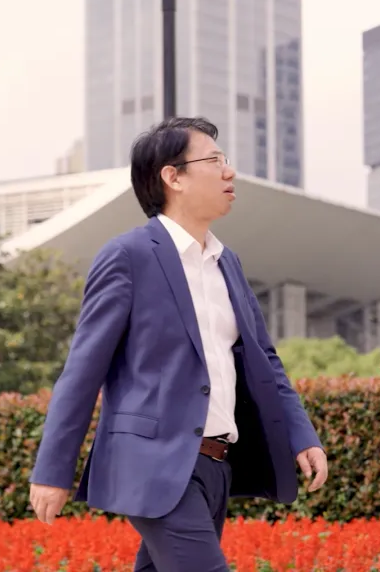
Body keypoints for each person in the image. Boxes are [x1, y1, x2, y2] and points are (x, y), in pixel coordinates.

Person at [28, 117, 328, 571]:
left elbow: (264, 360)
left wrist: (301, 435)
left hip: (216, 464)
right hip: (153, 464)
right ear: (173, 177)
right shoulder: (128, 256)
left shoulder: (227, 263)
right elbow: (83, 371)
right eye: (215, 160)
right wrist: (53, 470)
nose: (229, 171)